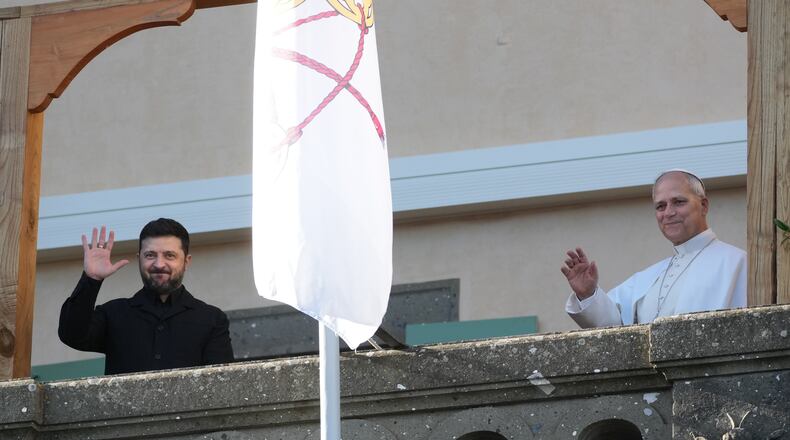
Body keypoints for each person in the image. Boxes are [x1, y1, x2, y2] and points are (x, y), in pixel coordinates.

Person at [562, 169, 747, 328]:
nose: (669, 212)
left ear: (703, 205)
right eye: (660, 206)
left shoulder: (737, 263)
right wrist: (588, 294)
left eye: (679, 202)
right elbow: (614, 330)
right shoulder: (648, 277)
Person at [59, 218, 234, 375]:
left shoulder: (212, 320)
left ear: (186, 261)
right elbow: (71, 335)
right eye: (150, 255)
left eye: (169, 255)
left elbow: (221, 384)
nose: (159, 264)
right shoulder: (113, 314)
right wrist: (91, 279)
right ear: (139, 259)